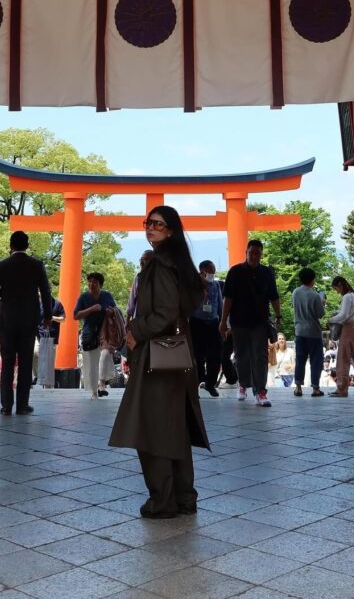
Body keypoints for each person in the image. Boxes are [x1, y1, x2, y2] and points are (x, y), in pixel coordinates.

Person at [109, 205, 210, 518]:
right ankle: (184, 498)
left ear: (171, 230)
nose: (150, 228)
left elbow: (165, 313)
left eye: (157, 224)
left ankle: (163, 501)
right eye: (147, 222)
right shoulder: (178, 264)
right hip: (177, 353)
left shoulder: (161, 265)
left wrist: (135, 331)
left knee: (151, 428)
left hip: (157, 353)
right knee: (174, 427)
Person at [0, 230, 52, 415]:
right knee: (25, 363)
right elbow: (46, 292)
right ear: (27, 245)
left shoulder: (1, 265)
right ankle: (22, 405)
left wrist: (5, 291)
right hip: (29, 318)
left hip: (7, 319)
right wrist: (47, 315)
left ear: (10, 245)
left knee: (7, 362)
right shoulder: (36, 265)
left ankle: (6, 405)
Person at [220, 239, 281, 407]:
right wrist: (223, 321)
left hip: (260, 321)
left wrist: (279, 315)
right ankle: (243, 384)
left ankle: (260, 391)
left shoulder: (267, 273)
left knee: (260, 356)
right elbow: (228, 298)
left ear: (261, 255)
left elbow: (274, 296)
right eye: (252, 253)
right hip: (239, 321)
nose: (255, 256)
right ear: (245, 253)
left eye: (258, 254)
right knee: (241, 356)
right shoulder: (235, 272)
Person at [74, 272, 117, 398]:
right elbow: (75, 315)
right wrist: (91, 309)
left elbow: (115, 311)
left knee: (104, 355)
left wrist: (110, 312)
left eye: (95, 282)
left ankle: (102, 383)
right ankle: (94, 391)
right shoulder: (83, 297)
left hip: (105, 332)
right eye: (90, 281)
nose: (92, 284)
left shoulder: (107, 295)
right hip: (90, 333)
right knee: (92, 363)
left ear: (100, 285)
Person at [329, 276, 354, 397]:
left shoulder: (346, 297)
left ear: (340, 285)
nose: (337, 291)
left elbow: (344, 315)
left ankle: (342, 389)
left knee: (343, 360)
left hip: (349, 329)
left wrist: (331, 319)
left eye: (336, 288)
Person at [190, 260, 223, 397]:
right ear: (202, 272)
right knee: (197, 356)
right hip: (197, 323)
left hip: (213, 323)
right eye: (210, 270)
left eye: (214, 270)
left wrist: (223, 322)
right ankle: (197, 383)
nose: (213, 273)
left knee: (215, 355)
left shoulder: (216, 285)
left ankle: (210, 384)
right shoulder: (194, 285)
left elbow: (220, 304)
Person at [292, 267, 325, 397]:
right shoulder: (315, 295)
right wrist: (322, 303)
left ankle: (298, 387)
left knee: (300, 359)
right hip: (314, 332)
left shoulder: (295, 292)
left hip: (299, 331)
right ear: (312, 280)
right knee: (316, 360)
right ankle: (315, 388)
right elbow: (320, 314)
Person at [126, 250, 153, 321]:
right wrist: (127, 320)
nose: (141, 262)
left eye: (145, 259)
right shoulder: (138, 278)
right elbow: (131, 300)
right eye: (141, 259)